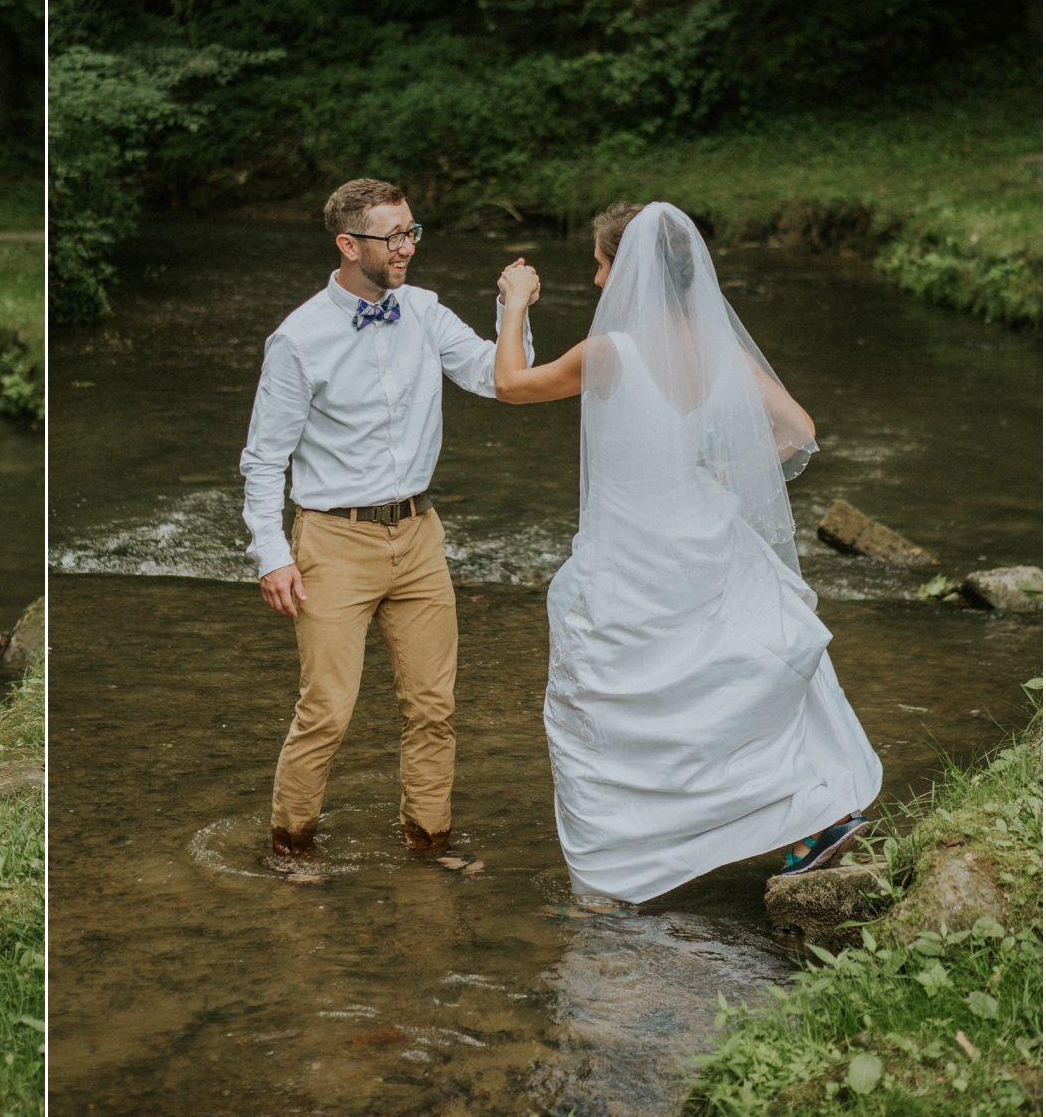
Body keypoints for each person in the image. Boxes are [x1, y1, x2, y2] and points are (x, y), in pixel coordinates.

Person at [494, 202, 881, 904]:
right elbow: (797, 428)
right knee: (728, 685)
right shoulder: (721, 349)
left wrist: (515, 304)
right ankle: (809, 820)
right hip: (706, 538)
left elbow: (510, 385)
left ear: (633, 270)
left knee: (614, 704)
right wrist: (726, 475)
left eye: (602, 261)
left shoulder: (612, 351)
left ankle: (624, 870)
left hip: (631, 554)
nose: (596, 273)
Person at [239, 178, 532, 870]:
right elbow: (263, 460)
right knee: (327, 711)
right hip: (332, 542)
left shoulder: (425, 311)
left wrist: (511, 306)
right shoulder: (298, 339)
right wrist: (270, 554)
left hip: (420, 535)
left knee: (433, 706)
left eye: (411, 232)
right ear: (349, 245)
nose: (406, 247)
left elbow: (497, 377)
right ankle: (291, 847)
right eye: (392, 236)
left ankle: (429, 845)